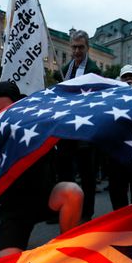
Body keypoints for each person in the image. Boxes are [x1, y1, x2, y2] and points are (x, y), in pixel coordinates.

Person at [0, 82, 83, 258]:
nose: (2, 116)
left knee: (72, 192)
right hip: (14, 212)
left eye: (7, 110)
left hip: (44, 199)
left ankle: (67, 252)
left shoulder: (39, 125)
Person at [53, 30, 102, 223]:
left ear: (87, 47)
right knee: (65, 172)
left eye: (80, 47)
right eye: (74, 47)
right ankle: (66, 208)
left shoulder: (95, 71)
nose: (77, 51)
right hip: (66, 130)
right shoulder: (64, 70)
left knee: (87, 174)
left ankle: (86, 214)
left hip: (86, 131)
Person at [108, 65, 132, 210]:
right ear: (119, 79)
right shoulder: (111, 96)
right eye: (125, 76)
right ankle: (120, 223)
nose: (129, 79)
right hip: (117, 150)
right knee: (117, 190)